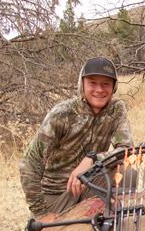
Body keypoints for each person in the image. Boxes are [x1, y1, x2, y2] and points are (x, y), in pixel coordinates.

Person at [20, 57, 133, 219]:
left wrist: (94, 159)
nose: (99, 90)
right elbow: (30, 162)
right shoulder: (62, 114)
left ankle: (113, 218)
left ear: (114, 87)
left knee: (128, 173)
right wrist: (40, 213)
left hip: (91, 184)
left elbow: (126, 151)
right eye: (92, 83)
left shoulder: (116, 109)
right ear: (82, 85)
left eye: (106, 84)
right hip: (58, 193)